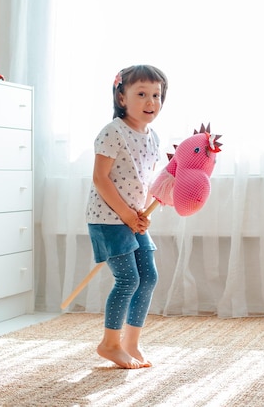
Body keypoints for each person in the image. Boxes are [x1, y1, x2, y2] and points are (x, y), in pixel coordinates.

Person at [86, 64, 168, 369]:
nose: (151, 102)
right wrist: (127, 215)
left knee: (148, 277)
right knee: (128, 279)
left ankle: (131, 343)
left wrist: (142, 213)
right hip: (108, 219)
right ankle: (110, 344)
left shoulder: (153, 137)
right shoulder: (112, 132)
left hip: (132, 218)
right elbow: (101, 179)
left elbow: (145, 180)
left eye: (156, 95)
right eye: (142, 94)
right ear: (122, 98)